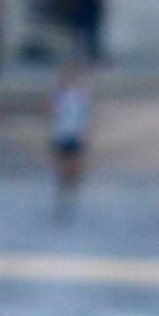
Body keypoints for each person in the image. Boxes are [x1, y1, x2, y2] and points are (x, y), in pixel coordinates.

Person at [50, 67, 92, 219]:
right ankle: (64, 191)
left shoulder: (81, 96)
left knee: (73, 165)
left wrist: (85, 134)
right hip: (61, 135)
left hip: (74, 135)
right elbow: (51, 113)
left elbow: (85, 116)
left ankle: (70, 190)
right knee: (63, 166)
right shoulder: (58, 96)